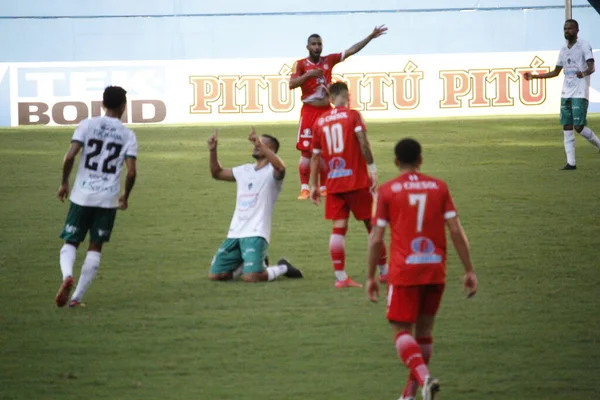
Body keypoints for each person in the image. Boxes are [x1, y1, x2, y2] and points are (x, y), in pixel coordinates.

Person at [366, 138, 478, 400]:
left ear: (396, 162)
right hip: (435, 269)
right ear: (421, 160)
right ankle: (409, 394)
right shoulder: (439, 187)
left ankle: (424, 377)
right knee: (425, 332)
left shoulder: (387, 190)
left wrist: (371, 276)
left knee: (401, 329)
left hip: (405, 271)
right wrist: (469, 270)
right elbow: (455, 231)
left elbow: (376, 238)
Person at [55, 86, 138, 308]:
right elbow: (131, 172)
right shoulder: (127, 135)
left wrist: (64, 182)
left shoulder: (87, 124)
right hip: (107, 199)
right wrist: (125, 196)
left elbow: (70, 156)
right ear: (123, 106)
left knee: (71, 241)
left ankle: (66, 277)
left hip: (82, 194)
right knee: (95, 246)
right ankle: (76, 298)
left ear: (102, 105)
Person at [289, 25, 388, 199]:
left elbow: (351, 50)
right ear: (308, 47)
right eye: (313, 44)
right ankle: (305, 188)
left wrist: (370, 37)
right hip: (309, 111)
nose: (317, 47)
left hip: (327, 110)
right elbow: (292, 84)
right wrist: (310, 75)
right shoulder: (301, 65)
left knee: (326, 149)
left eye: (319, 44)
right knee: (306, 151)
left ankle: (325, 186)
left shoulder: (329, 60)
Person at [309, 82, 388, 288]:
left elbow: (315, 158)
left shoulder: (320, 122)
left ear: (330, 98)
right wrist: (372, 168)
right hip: (357, 181)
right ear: (345, 95)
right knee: (372, 226)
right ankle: (384, 272)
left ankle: (341, 277)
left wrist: (314, 185)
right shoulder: (353, 116)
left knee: (338, 229)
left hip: (334, 184)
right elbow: (363, 142)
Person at [207, 127, 303, 282]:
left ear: (270, 149)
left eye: (261, 143)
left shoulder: (273, 172)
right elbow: (217, 173)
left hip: (256, 232)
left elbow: (281, 167)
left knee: (252, 278)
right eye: (256, 143)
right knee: (216, 276)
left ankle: (283, 267)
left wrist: (261, 145)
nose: (256, 145)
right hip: (235, 232)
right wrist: (213, 151)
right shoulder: (244, 170)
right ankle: (248, 265)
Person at [524, 19, 598, 170]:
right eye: (565, 28)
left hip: (579, 92)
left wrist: (582, 73)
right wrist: (534, 76)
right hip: (566, 92)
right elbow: (555, 72)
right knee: (567, 126)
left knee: (579, 126)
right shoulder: (563, 50)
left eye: (570, 28)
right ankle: (571, 163)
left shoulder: (584, 45)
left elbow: (592, 67)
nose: (567, 31)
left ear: (577, 30)